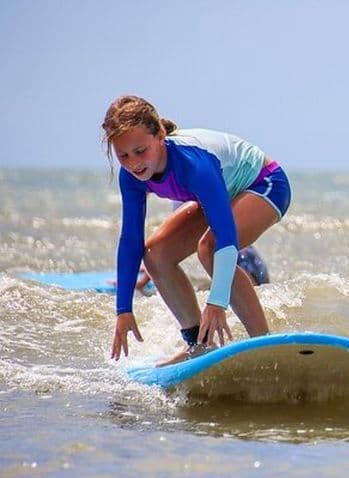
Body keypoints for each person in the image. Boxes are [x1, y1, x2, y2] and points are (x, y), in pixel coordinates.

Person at [103, 95, 290, 366]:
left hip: (264, 183)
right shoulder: (131, 178)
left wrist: (216, 302)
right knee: (155, 254)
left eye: (140, 151)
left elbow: (226, 237)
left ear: (160, 135)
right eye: (123, 156)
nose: (134, 163)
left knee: (209, 247)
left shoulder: (194, 164)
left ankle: (264, 348)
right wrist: (123, 310)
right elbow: (131, 240)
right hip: (223, 192)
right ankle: (199, 345)